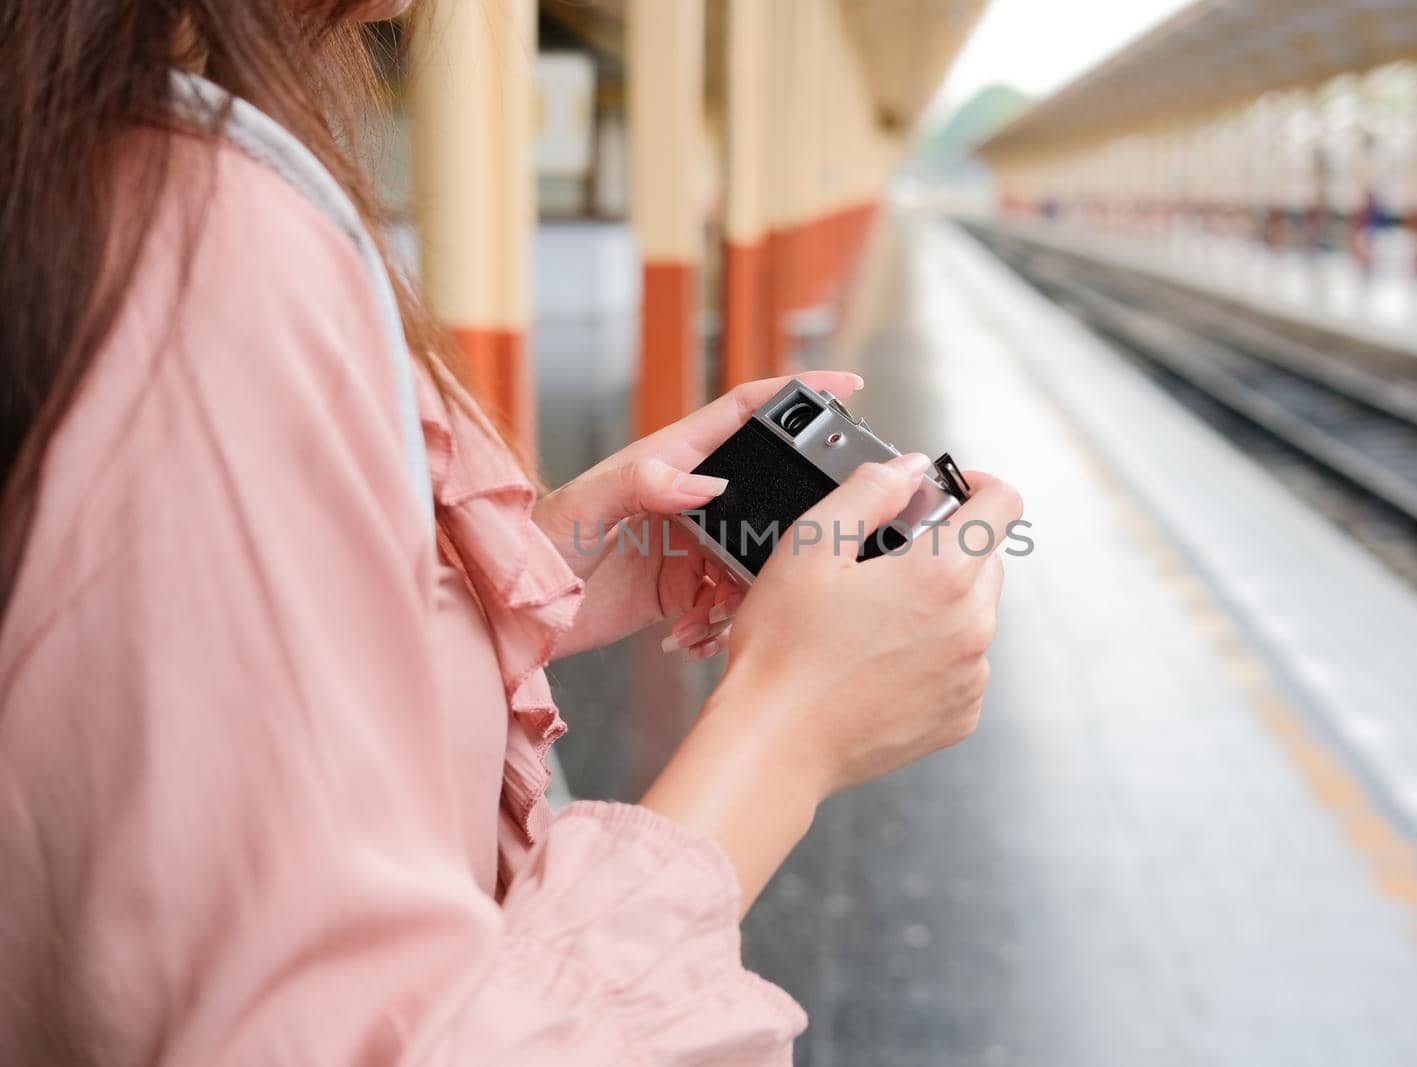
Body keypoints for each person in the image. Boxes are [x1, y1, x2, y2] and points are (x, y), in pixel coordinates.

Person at [0, 1, 1023, 1063]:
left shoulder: (78, 170)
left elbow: (198, 683)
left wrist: (542, 564)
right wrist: (789, 724)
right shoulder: (206, 238)